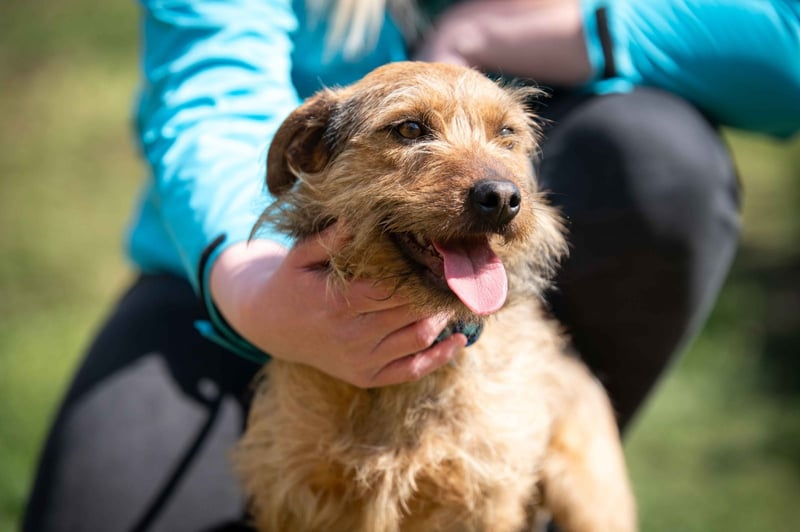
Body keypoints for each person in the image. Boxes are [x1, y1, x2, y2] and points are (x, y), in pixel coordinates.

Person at [23, 0, 799, 530]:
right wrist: (246, 280)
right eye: (409, 132)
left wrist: (562, 27)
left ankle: (532, 473)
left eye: (505, 135)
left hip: (502, 334)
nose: (490, 181)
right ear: (302, 151)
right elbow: (206, 87)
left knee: (662, 155)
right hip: (230, 273)